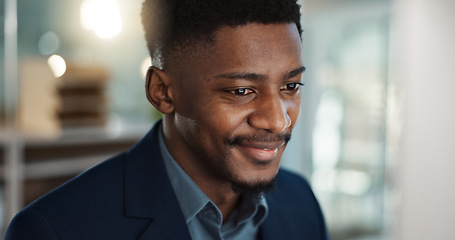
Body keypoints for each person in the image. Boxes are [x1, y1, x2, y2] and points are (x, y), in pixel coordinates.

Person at [5, 0, 329, 239]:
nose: (277, 121)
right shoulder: (54, 231)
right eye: (242, 91)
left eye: (290, 86)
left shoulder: (300, 201)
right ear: (162, 91)